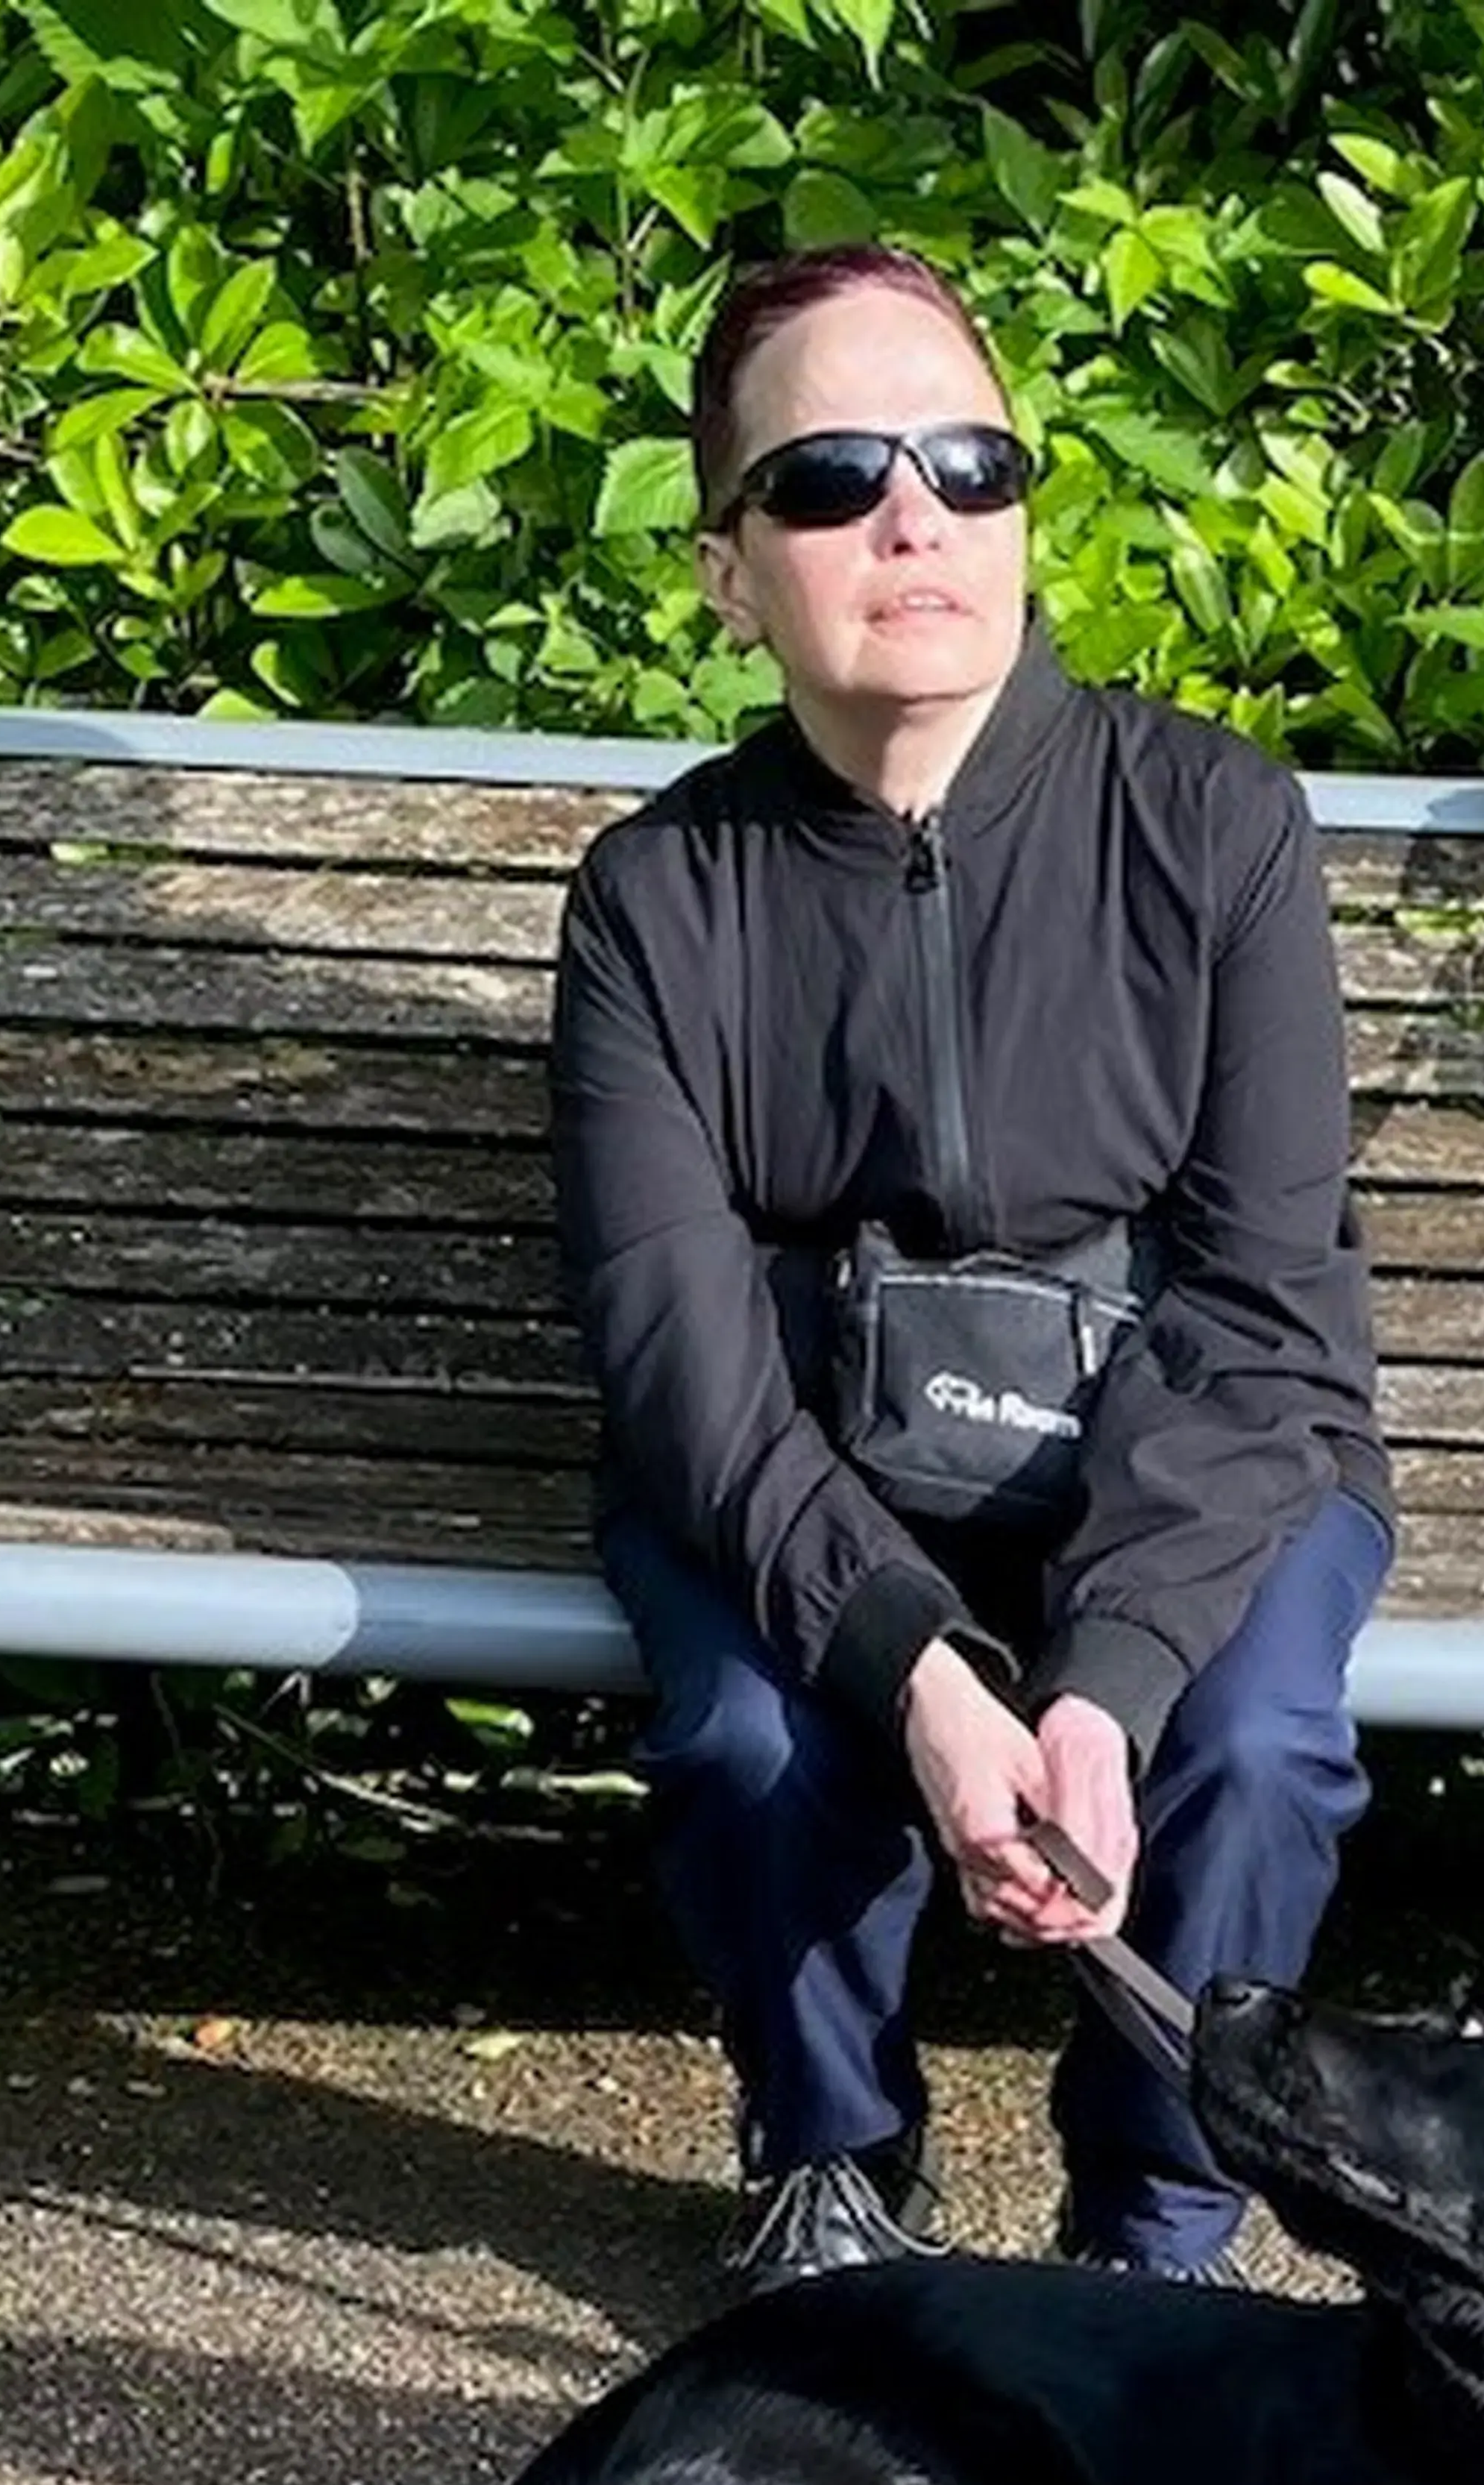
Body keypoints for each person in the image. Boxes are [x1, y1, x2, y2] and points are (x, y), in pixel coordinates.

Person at [550, 242, 1392, 2289]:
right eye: (833, 476)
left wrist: (1107, 1679)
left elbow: (1268, 1312)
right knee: (753, 1742)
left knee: (1256, 1748)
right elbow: (683, 1366)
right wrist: (920, 1672)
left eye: (969, 463)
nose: (914, 516)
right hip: (809, 1463)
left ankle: (1158, 2223)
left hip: (1193, 1461)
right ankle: (832, 2154)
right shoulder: (658, 899)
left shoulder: (1216, 825)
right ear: (731, 570)